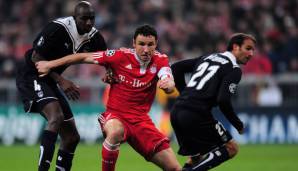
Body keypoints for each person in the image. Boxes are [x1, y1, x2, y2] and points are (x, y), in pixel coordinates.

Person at [35, 24, 181, 171]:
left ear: (156, 44)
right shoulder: (119, 56)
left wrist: (168, 84)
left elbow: (168, 80)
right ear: (133, 43)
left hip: (141, 121)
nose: (146, 49)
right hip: (115, 115)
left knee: (174, 168)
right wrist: (50, 64)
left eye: (150, 45)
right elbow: (84, 57)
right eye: (141, 44)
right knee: (116, 131)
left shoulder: (161, 60)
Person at [15, 1, 107, 171]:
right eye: (84, 18)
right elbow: (35, 57)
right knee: (55, 117)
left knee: (71, 137)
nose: (88, 22)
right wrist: (61, 80)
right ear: (74, 18)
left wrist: (110, 73)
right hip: (31, 74)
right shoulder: (57, 29)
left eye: (91, 19)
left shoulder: (94, 36)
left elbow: (106, 58)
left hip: (51, 79)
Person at [170, 33, 256, 171]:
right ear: (235, 47)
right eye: (248, 48)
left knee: (196, 157)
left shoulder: (207, 57)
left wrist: (184, 93)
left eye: (253, 50)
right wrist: (238, 124)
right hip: (196, 113)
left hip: (176, 111)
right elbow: (223, 100)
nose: (251, 53)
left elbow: (175, 68)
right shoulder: (234, 69)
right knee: (231, 148)